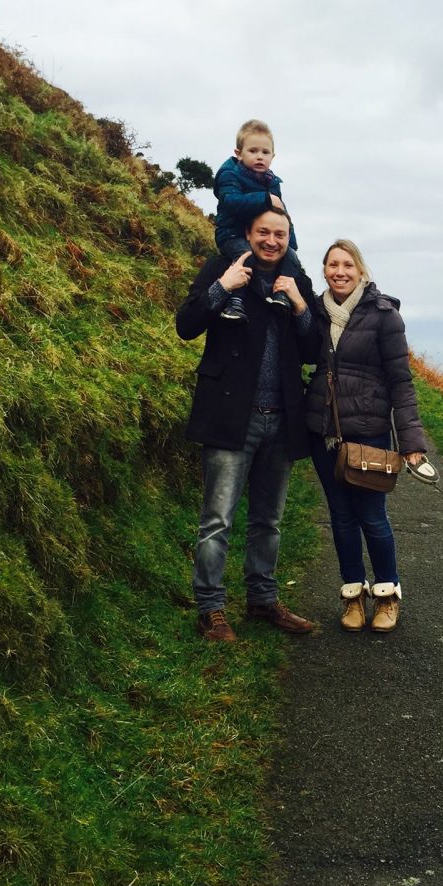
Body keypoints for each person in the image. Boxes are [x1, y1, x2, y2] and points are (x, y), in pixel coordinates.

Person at [175, 207, 318, 641]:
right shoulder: (224, 267)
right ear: (249, 234)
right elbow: (186, 325)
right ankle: (210, 609)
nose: (271, 240)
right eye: (263, 232)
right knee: (217, 519)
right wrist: (222, 288)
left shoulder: (297, 280)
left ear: (288, 239)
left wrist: (298, 304)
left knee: (268, 521)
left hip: (282, 419)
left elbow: (313, 349)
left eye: (280, 234)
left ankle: (262, 601)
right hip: (231, 414)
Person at [304, 239, 427, 633]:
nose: (339, 272)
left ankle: (387, 597)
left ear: (361, 271)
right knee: (341, 518)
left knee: (372, 518)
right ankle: (353, 597)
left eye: (347, 265)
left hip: (370, 433)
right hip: (325, 435)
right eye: (332, 265)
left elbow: (401, 382)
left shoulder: (384, 314)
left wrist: (412, 445)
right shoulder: (315, 313)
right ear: (323, 270)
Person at [212, 118, 302, 323]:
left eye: (265, 152)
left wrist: (290, 243)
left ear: (273, 156)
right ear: (238, 153)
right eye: (253, 151)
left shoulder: (272, 182)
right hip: (232, 233)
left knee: (291, 258)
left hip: (259, 235)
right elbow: (230, 201)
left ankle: (281, 295)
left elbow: (282, 216)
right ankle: (234, 302)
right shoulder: (229, 174)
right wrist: (265, 199)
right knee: (246, 255)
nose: (259, 157)